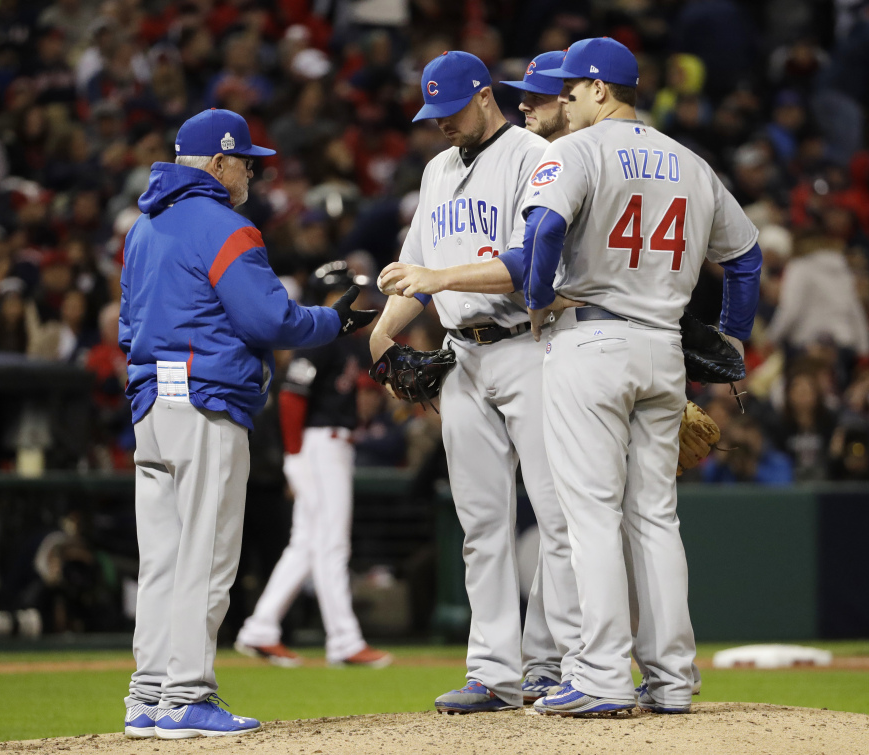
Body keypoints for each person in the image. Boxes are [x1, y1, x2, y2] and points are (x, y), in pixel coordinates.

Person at [519, 38, 761, 716]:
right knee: (654, 516)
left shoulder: (575, 151)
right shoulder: (691, 162)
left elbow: (542, 231)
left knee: (590, 513)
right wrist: (730, 335)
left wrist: (538, 298)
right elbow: (744, 258)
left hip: (590, 339)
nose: (561, 100)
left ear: (602, 90)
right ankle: (672, 677)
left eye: (571, 90)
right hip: (663, 351)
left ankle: (598, 675)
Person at [119, 108, 376, 739]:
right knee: (205, 557)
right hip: (205, 405)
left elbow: (127, 323)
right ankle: (188, 696)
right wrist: (333, 322)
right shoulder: (226, 226)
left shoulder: (142, 229)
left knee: (162, 561)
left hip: (151, 407)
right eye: (244, 161)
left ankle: (148, 696)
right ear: (216, 163)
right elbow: (270, 322)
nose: (252, 173)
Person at [370, 51, 583, 714]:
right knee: (480, 522)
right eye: (430, 113)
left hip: (530, 345)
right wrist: (381, 337)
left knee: (557, 515)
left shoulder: (531, 155)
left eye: (450, 110)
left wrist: (436, 281)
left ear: (484, 94)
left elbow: (527, 267)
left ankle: (552, 663)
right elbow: (415, 268)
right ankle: (493, 669)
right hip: (463, 356)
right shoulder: (436, 170)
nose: (439, 124)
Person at [234, 261, 392, 669]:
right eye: (350, 291)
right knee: (331, 544)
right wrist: (294, 457)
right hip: (317, 445)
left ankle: (261, 628)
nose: (360, 298)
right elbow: (291, 397)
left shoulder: (342, 340)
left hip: (330, 443)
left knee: (306, 543)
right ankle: (343, 639)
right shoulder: (320, 336)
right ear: (331, 294)